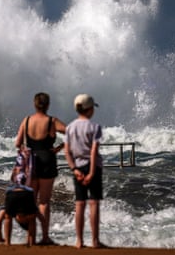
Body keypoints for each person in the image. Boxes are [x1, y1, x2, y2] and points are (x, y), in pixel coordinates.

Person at [14, 92, 65, 245]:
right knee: (44, 202)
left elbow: (18, 143)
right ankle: (44, 237)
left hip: (31, 160)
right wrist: (60, 147)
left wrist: (25, 152)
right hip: (47, 160)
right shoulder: (52, 121)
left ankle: (30, 238)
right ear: (48, 105)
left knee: (31, 201)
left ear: (35, 104)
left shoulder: (27, 120)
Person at [64, 94, 106, 249]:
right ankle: (95, 241)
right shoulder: (95, 127)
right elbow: (94, 151)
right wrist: (92, 173)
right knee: (94, 203)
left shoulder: (70, 127)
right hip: (93, 167)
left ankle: (79, 241)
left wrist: (74, 169)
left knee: (79, 204)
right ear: (89, 110)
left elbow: (67, 152)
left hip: (78, 167)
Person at [0, 151, 36, 246]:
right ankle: (30, 242)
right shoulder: (28, 213)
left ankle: (8, 242)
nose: (20, 217)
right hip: (20, 190)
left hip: (15, 191)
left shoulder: (8, 211)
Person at [3, 171, 37, 246]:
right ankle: (31, 242)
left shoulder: (10, 189)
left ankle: (7, 242)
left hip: (11, 193)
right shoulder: (29, 189)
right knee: (32, 218)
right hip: (26, 193)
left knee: (8, 217)